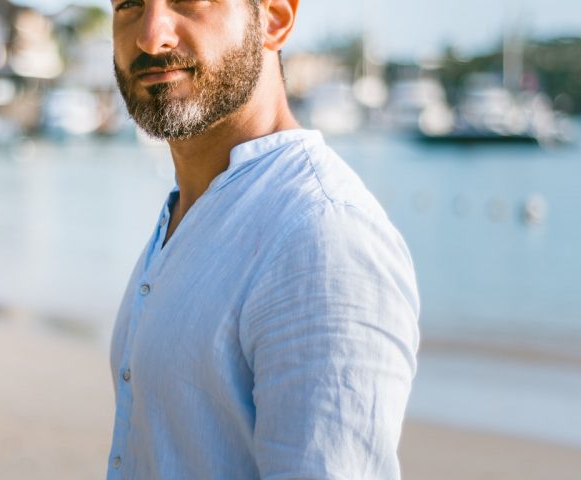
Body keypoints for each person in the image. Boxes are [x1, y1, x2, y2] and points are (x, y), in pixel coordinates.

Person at [105, 0, 420, 478]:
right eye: (129, 4)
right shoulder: (190, 208)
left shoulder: (322, 236)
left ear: (274, 18)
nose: (152, 36)